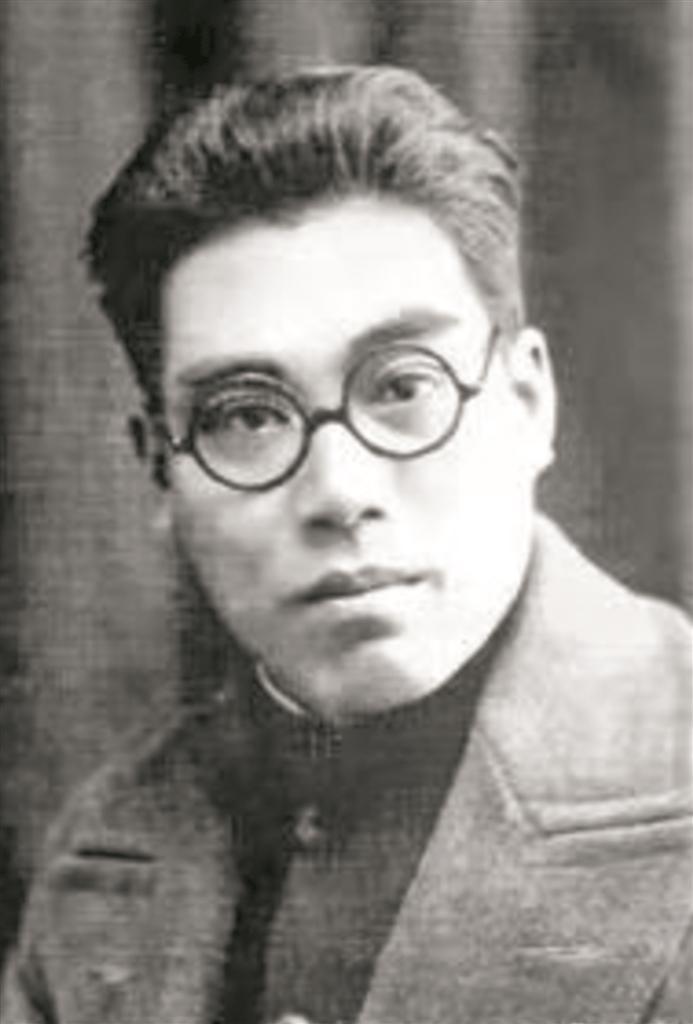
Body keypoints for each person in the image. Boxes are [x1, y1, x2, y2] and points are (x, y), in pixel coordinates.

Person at [1, 65, 691, 1024]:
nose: (339, 492)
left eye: (403, 387)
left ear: (527, 403)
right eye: (246, 416)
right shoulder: (106, 853)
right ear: (160, 468)